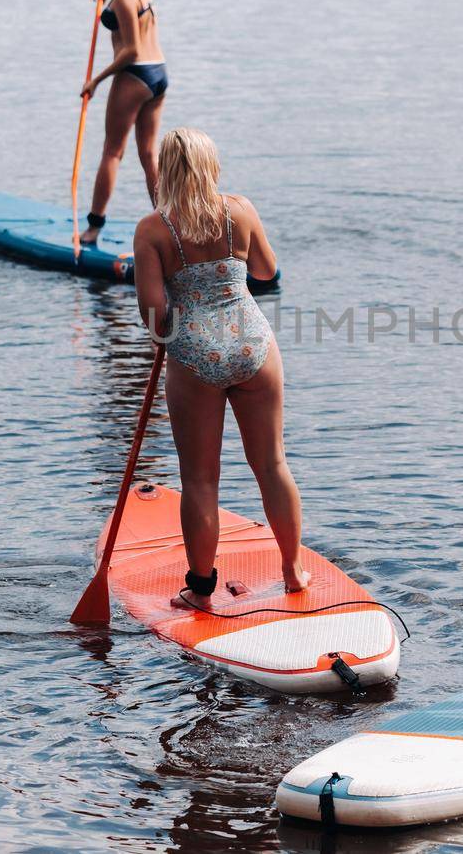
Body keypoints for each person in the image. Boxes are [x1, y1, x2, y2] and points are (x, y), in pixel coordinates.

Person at [132, 127, 307, 609]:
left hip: (194, 355)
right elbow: (267, 272)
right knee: (272, 463)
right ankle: (292, 571)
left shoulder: (153, 229)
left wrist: (164, 306)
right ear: (212, 166)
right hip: (253, 345)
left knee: (201, 479)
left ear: (166, 171)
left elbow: (153, 312)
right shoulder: (240, 210)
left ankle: (202, 588)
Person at [79, 0, 166, 246]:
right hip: (158, 73)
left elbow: (130, 49)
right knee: (148, 154)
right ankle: (168, 223)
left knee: (112, 152)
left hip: (135, 73)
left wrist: (96, 81)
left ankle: (93, 227)